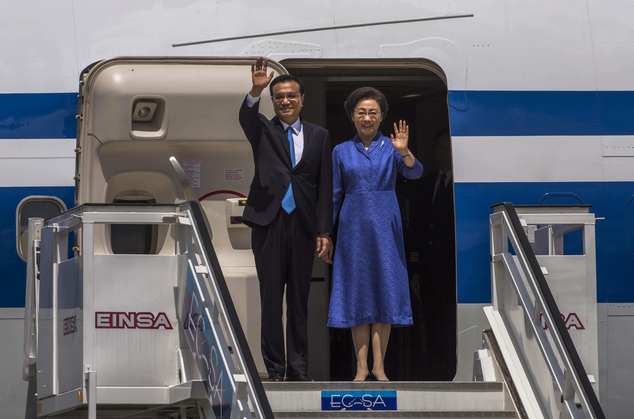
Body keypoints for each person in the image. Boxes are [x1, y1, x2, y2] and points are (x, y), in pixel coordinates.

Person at [238, 58, 332, 381]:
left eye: (292, 96)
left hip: (304, 227)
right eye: (280, 97)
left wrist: (324, 230)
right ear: (273, 101)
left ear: (302, 99)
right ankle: (275, 369)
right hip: (269, 223)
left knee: (299, 302)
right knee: (271, 298)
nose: (286, 101)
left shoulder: (320, 136)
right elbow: (245, 116)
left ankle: (299, 370)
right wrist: (256, 89)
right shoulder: (263, 129)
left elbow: (324, 187)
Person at [327, 87, 423, 381]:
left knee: (384, 290)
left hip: (385, 224)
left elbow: (415, 172)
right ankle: (360, 367)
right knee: (358, 293)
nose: (367, 117)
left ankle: (380, 367)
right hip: (352, 226)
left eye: (373, 112)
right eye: (361, 112)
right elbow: (334, 194)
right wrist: (327, 234)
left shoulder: (392, 147)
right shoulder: (340, 151)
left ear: (381, 117)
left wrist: (404, 152)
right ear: (352, 117)